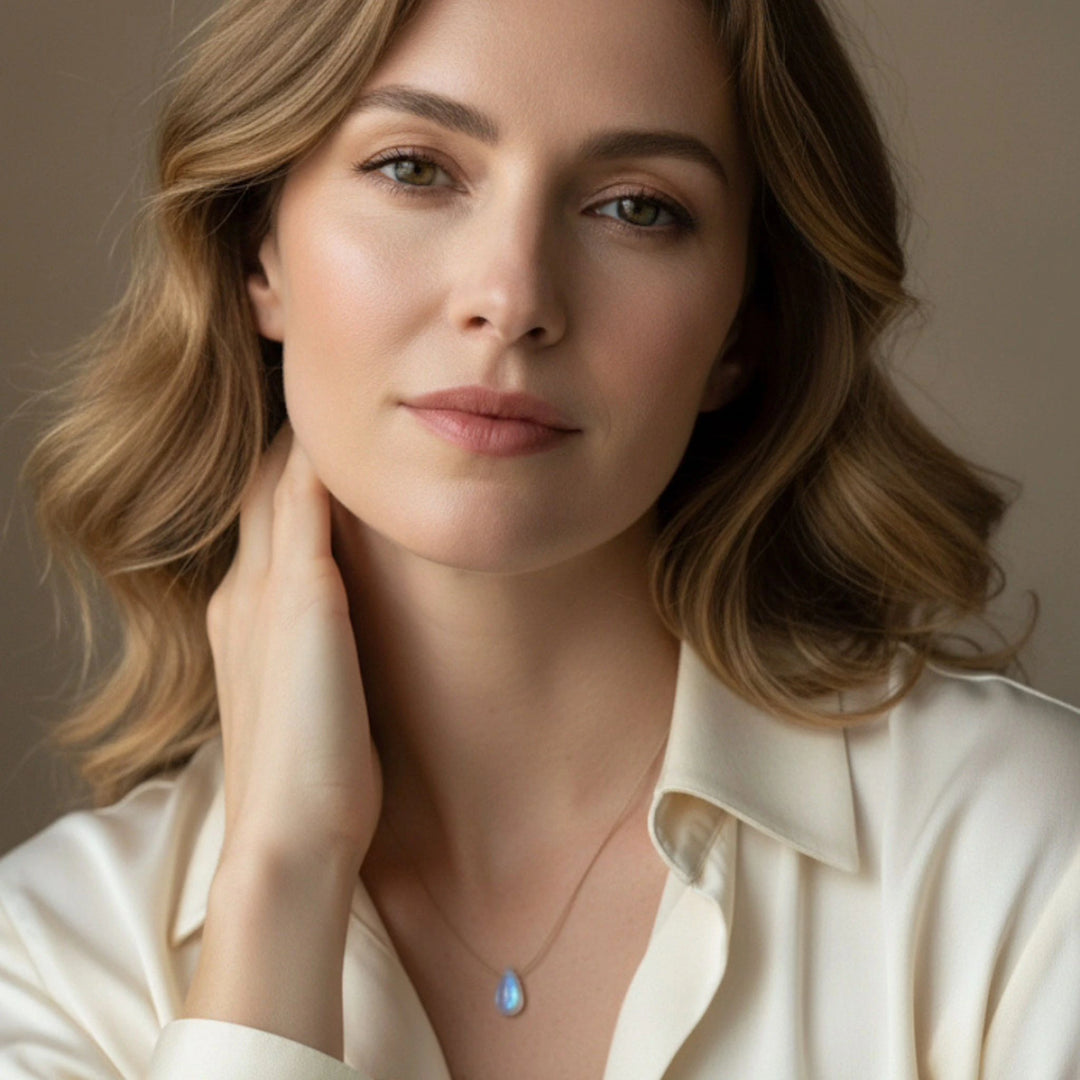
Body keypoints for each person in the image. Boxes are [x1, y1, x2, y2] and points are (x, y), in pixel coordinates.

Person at [1, 0, 1078, 1075]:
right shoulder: (52, 959)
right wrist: (281, 885)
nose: (512, 298)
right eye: (415, 169)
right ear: (259, 250)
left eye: (635, 208)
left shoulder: (1029, 863)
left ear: (745, 330)